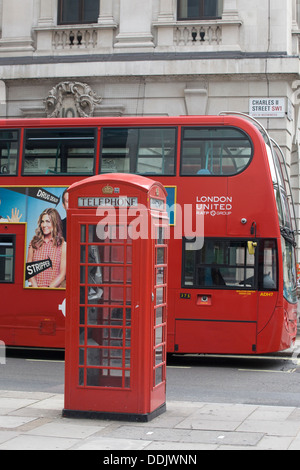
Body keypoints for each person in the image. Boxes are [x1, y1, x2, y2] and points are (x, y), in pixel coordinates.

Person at [27, 208, 66, 288]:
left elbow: (62, 275)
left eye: (48, 221)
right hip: (35, 293)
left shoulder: (62, 245)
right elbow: (29, 271)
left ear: (55, 223)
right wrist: (36, 289)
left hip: (54, 293)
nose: (44, 225)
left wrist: (48, 290)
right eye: (42, 222)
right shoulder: (34, 243)